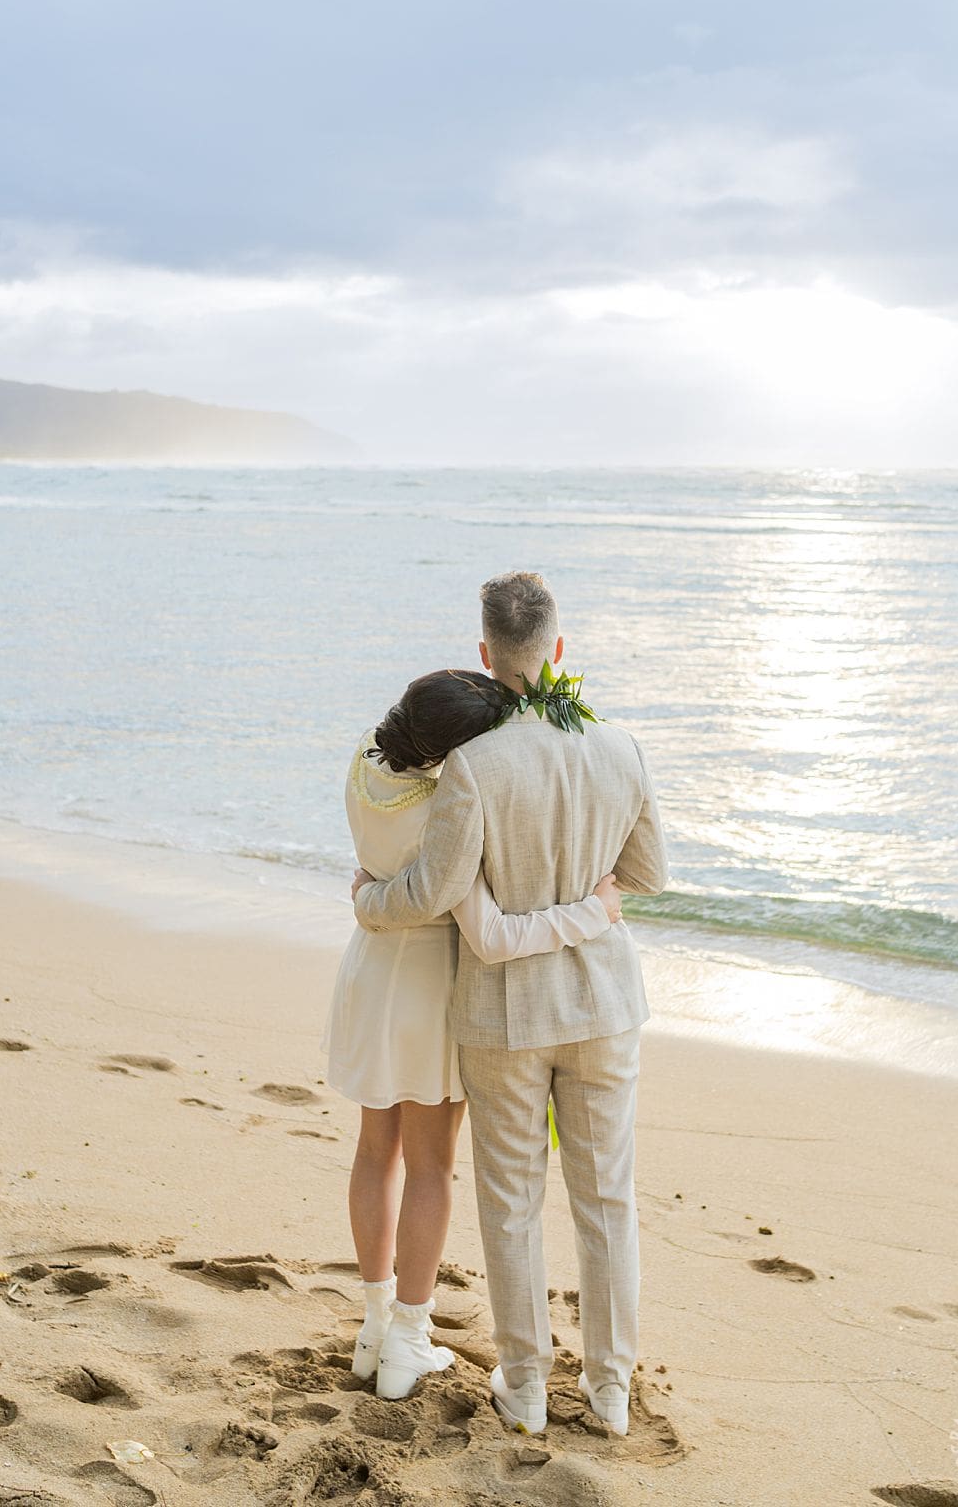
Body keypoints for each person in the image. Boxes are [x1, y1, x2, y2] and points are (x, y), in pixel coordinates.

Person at [354, 573, 666, 1437]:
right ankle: (610, 1391)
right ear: (558, 650)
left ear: (487, 657)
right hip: (604, 1005)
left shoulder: (475, 766)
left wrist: (367, 903)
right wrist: (586, 902)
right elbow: (649, 875)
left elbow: (432, 888)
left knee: (512, 1202)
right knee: (607, 1200)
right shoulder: (622, 747)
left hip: (504, 1016)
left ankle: (524, 1387)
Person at [325, 666, 623, 1401]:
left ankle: (372, 1324)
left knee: (374, 1149)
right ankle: (409, 1341)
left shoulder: (366, 758)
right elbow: (456, 901)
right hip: (435, 983)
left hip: (369, 975)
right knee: (432, 1166)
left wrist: (367, 897)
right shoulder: (456, 793)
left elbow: (373, 876)